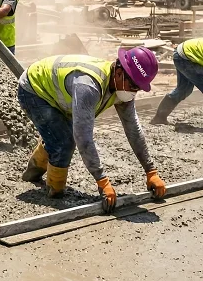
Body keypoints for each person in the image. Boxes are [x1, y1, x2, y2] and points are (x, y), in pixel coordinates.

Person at [18, 47, 167, 211]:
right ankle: (55, 193)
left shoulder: (122, 87)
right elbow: (84, 138)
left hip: (59, 92)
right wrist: (102, 181)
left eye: (138, 88)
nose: (134, 92)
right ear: (118, 73)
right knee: (64, 141)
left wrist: (150, 171)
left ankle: (32, 174)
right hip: (34, 89)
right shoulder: (89, 87)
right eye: (133, 86)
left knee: (58, 136)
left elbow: (133, 129)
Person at [151, 37, 203, 124]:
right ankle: (159, 117)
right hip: (186, 57)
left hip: (182, 53)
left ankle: (160, 118)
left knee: (184, 90)